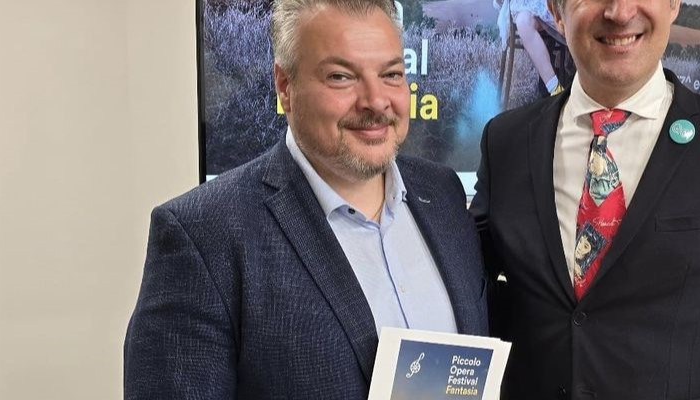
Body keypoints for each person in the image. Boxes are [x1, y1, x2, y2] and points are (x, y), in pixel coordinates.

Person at [123, 0, 487, 397]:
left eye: (391, 74)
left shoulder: (444, 195)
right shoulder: (203, 236)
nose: (376, 101)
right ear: (285, 86)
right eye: (341, 77)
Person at [470, 0, 700, 395]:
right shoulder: (505, 142)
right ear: (557, 12)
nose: (618, 12)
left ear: (674, 4)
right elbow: (465, 289)